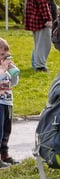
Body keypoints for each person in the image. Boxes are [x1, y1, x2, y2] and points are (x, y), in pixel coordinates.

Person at [24, 0, 53, 72]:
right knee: (44, 44)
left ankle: (37, 64)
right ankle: (41, 66)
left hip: (33, 21)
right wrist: (48, 19)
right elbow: (44, 6)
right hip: (41, 22)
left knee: (37, 44)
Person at [0, 38, 20, 168]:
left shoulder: (5, 68)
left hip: (7, 102)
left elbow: (13, 83)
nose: (4, 57)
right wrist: (2, 69)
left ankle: (4, 154)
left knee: (6, 129)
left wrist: (12, 72)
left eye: (6, 54)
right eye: (2, 54)